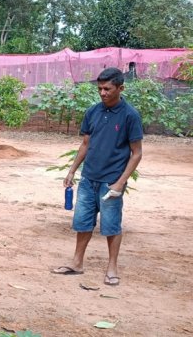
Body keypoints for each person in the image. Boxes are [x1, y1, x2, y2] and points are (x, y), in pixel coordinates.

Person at [51, 68, 143, 287]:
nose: (102, 93)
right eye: (100, 88)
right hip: (88, 178)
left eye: (107, 89)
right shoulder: (92, 112)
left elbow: (137, 153)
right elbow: (85, 144)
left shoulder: (130, 115)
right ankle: (77, 262)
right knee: (82, 222)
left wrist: (120, 182)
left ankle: (112, 267)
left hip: (111, 181)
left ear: (120, 88)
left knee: (111, 225)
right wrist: (72, 170)